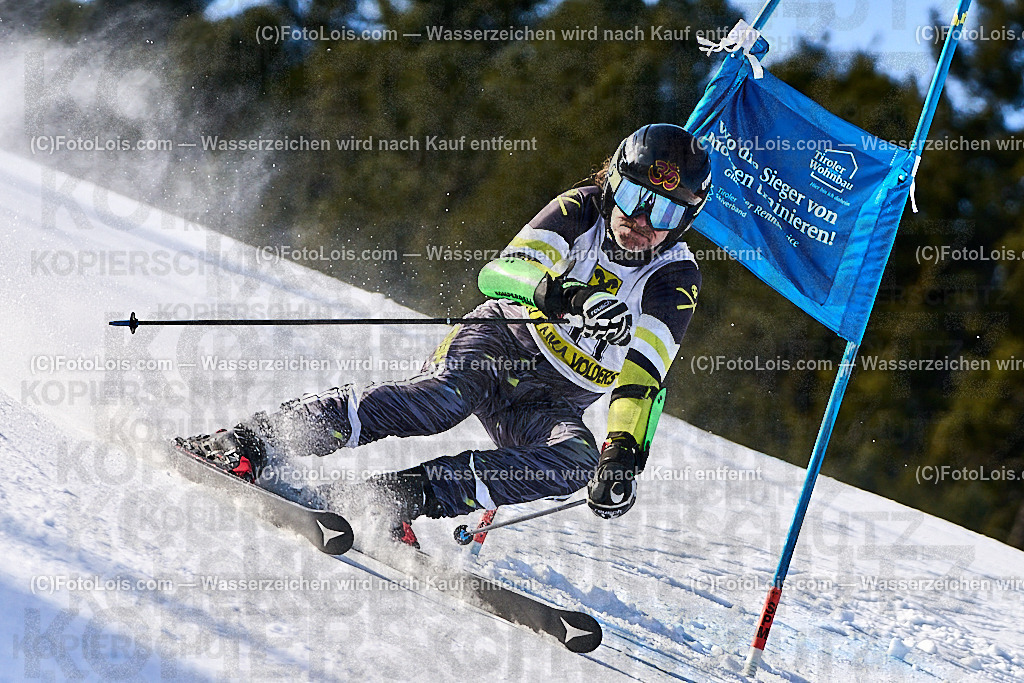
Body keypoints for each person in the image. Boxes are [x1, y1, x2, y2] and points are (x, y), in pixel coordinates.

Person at [178, 123, 711, 546]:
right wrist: (565, 296)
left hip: (551, 401)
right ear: (614, 183)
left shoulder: (675, 278)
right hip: (500, 344)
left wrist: (620, 455)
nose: (644, 219)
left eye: (664, 210)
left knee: (576, 462)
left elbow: (643, 379)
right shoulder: (582, 209)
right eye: (637, 198)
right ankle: (250, 440)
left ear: (685, 219)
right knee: (439, 402)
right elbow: (501, 273)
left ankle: (394, 498)